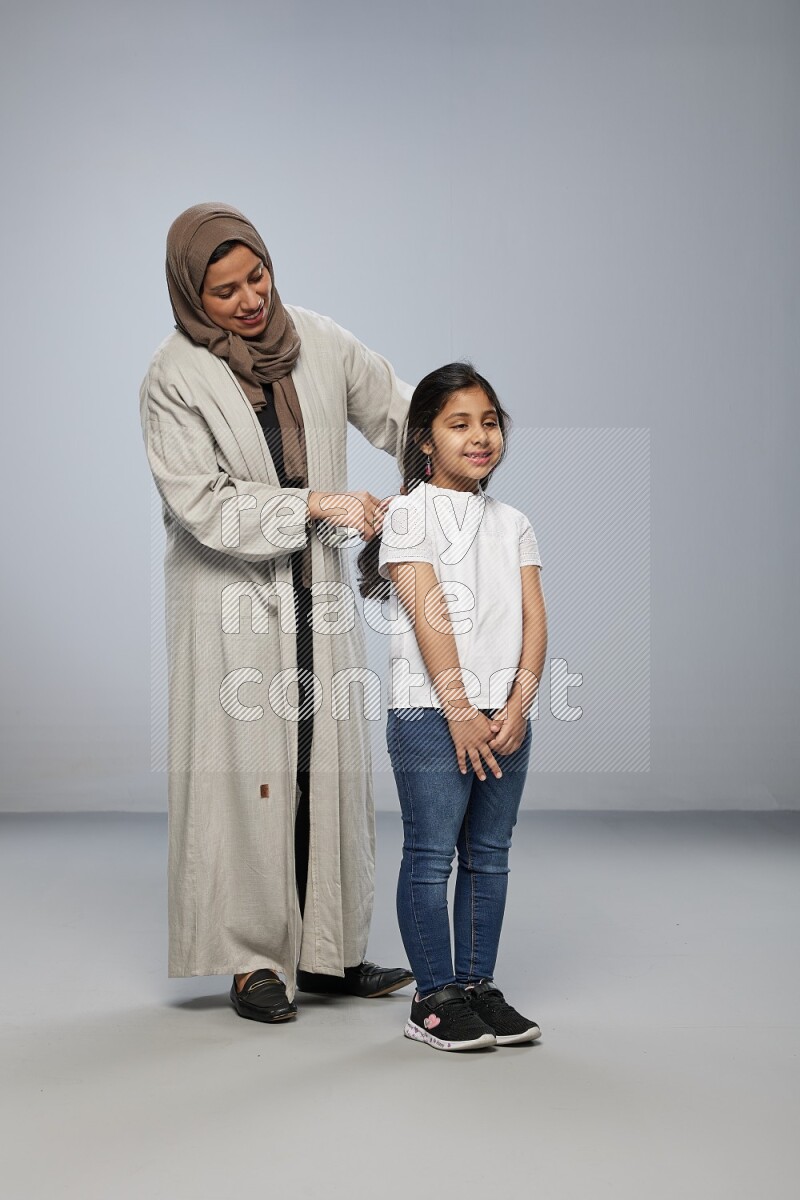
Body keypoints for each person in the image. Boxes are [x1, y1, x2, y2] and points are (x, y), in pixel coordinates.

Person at [140, 202, 414, 1023]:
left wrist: (449, 447)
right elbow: (204, 503)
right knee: (245, 772)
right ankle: (250, 962)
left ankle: (327, 952)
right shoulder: (172, 378)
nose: (250, 299)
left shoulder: (320, 342)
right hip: (228, 596)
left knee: (321, 764)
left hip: (316, 587)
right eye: (224, 291)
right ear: (192, 295)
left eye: (256, 276)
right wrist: (316, 504)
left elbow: (401, 413)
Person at [358, 362, 548, 1051]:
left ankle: (475, 986)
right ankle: (433, 999)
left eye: (490, 422)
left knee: (489, 855)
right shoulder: (409, 514)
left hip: (505, 718)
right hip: (433, 715)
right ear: (425, 441)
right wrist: (460, 706)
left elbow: (534, 618)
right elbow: (428, 609)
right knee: (433, 854)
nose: (479, 436)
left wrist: (520, 703)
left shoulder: (515, 522)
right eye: (459, 423)